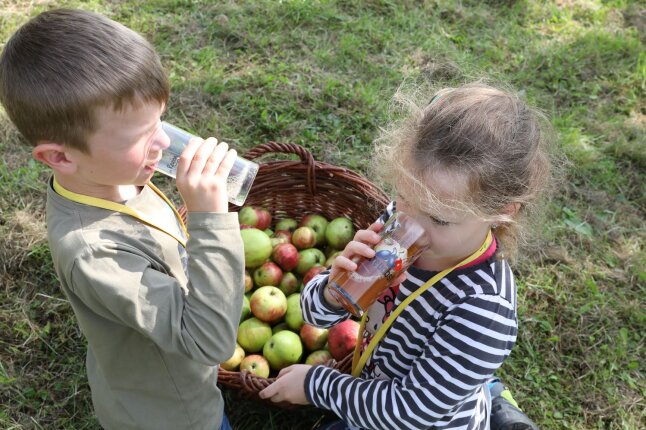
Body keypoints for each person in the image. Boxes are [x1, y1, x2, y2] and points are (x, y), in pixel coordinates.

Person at [0, 9, 243, 430]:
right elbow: (211, 342)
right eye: (141, 136)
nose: (165, 142)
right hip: (173, 415)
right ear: (60, 157)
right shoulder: (93, 251)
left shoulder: (109, 175)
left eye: (159, 121)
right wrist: (210, 220)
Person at [260, 83, 552, 430]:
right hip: (375, 390)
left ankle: (496, 405)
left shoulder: (483, 309)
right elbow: (317, 315)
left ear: (502, 212)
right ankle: (493, 398)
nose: (410, 226)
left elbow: (410, 411)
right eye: (402, 198)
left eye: (441, 219)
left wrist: (317, 386)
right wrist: (332, 290)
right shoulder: (404, 221)